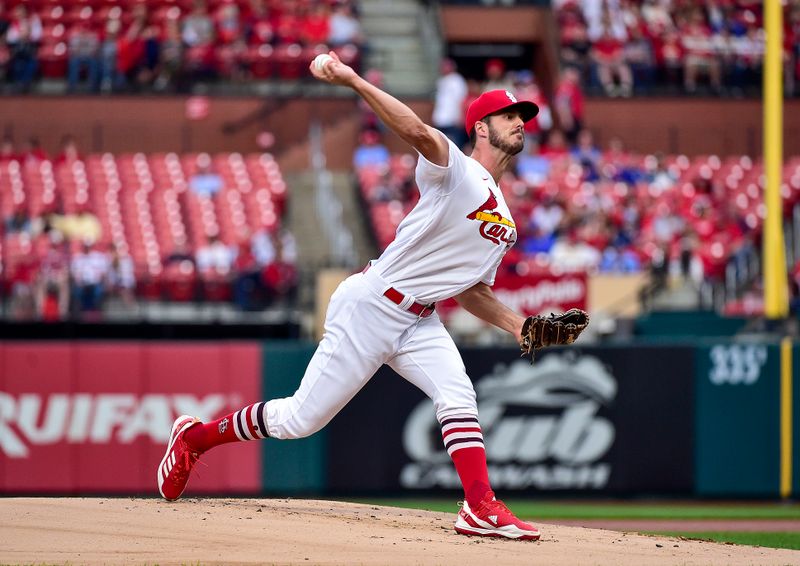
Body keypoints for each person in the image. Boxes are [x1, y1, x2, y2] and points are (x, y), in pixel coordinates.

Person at [157, 51, 543, 542]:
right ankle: (194, 438)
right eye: (508, 115)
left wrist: (518, 325)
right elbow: (418, 133)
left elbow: (471, 290)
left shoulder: (503, 220)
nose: (519, 123)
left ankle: (479, 506)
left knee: (458, 394)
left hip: (420, 319)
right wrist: (352, 79)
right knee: (300, 419)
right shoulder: (457, 171)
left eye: (522, 116)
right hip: (374, 303)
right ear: (481, 128)